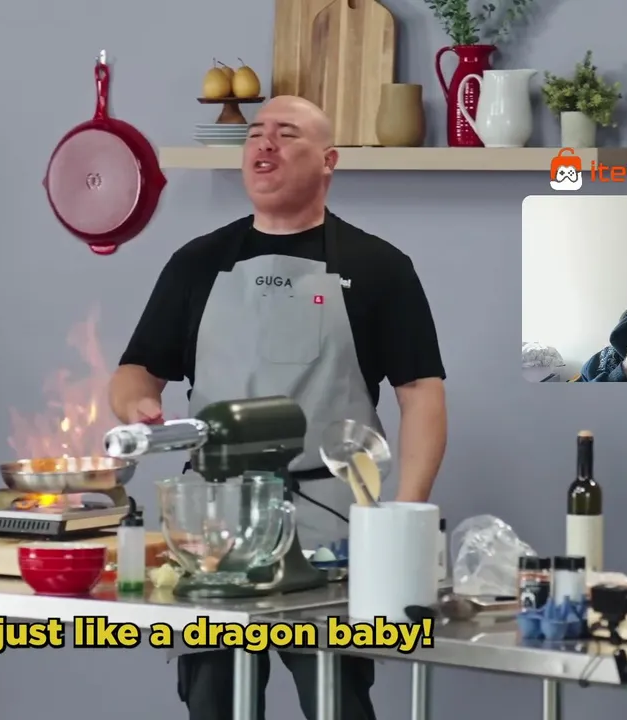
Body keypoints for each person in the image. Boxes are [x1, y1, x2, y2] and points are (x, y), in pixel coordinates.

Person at [108, 95, 448, 720]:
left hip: (331, 519)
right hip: (215, 522)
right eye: (255, 134)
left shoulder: (379, 267)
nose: (264, 144)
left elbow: (421, 393)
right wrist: (138, 403)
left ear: (329, 161)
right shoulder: (195, 264)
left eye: (286, 134)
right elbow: (136, 370)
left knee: (337, 697)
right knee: (213, 697)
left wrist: (403, 516)